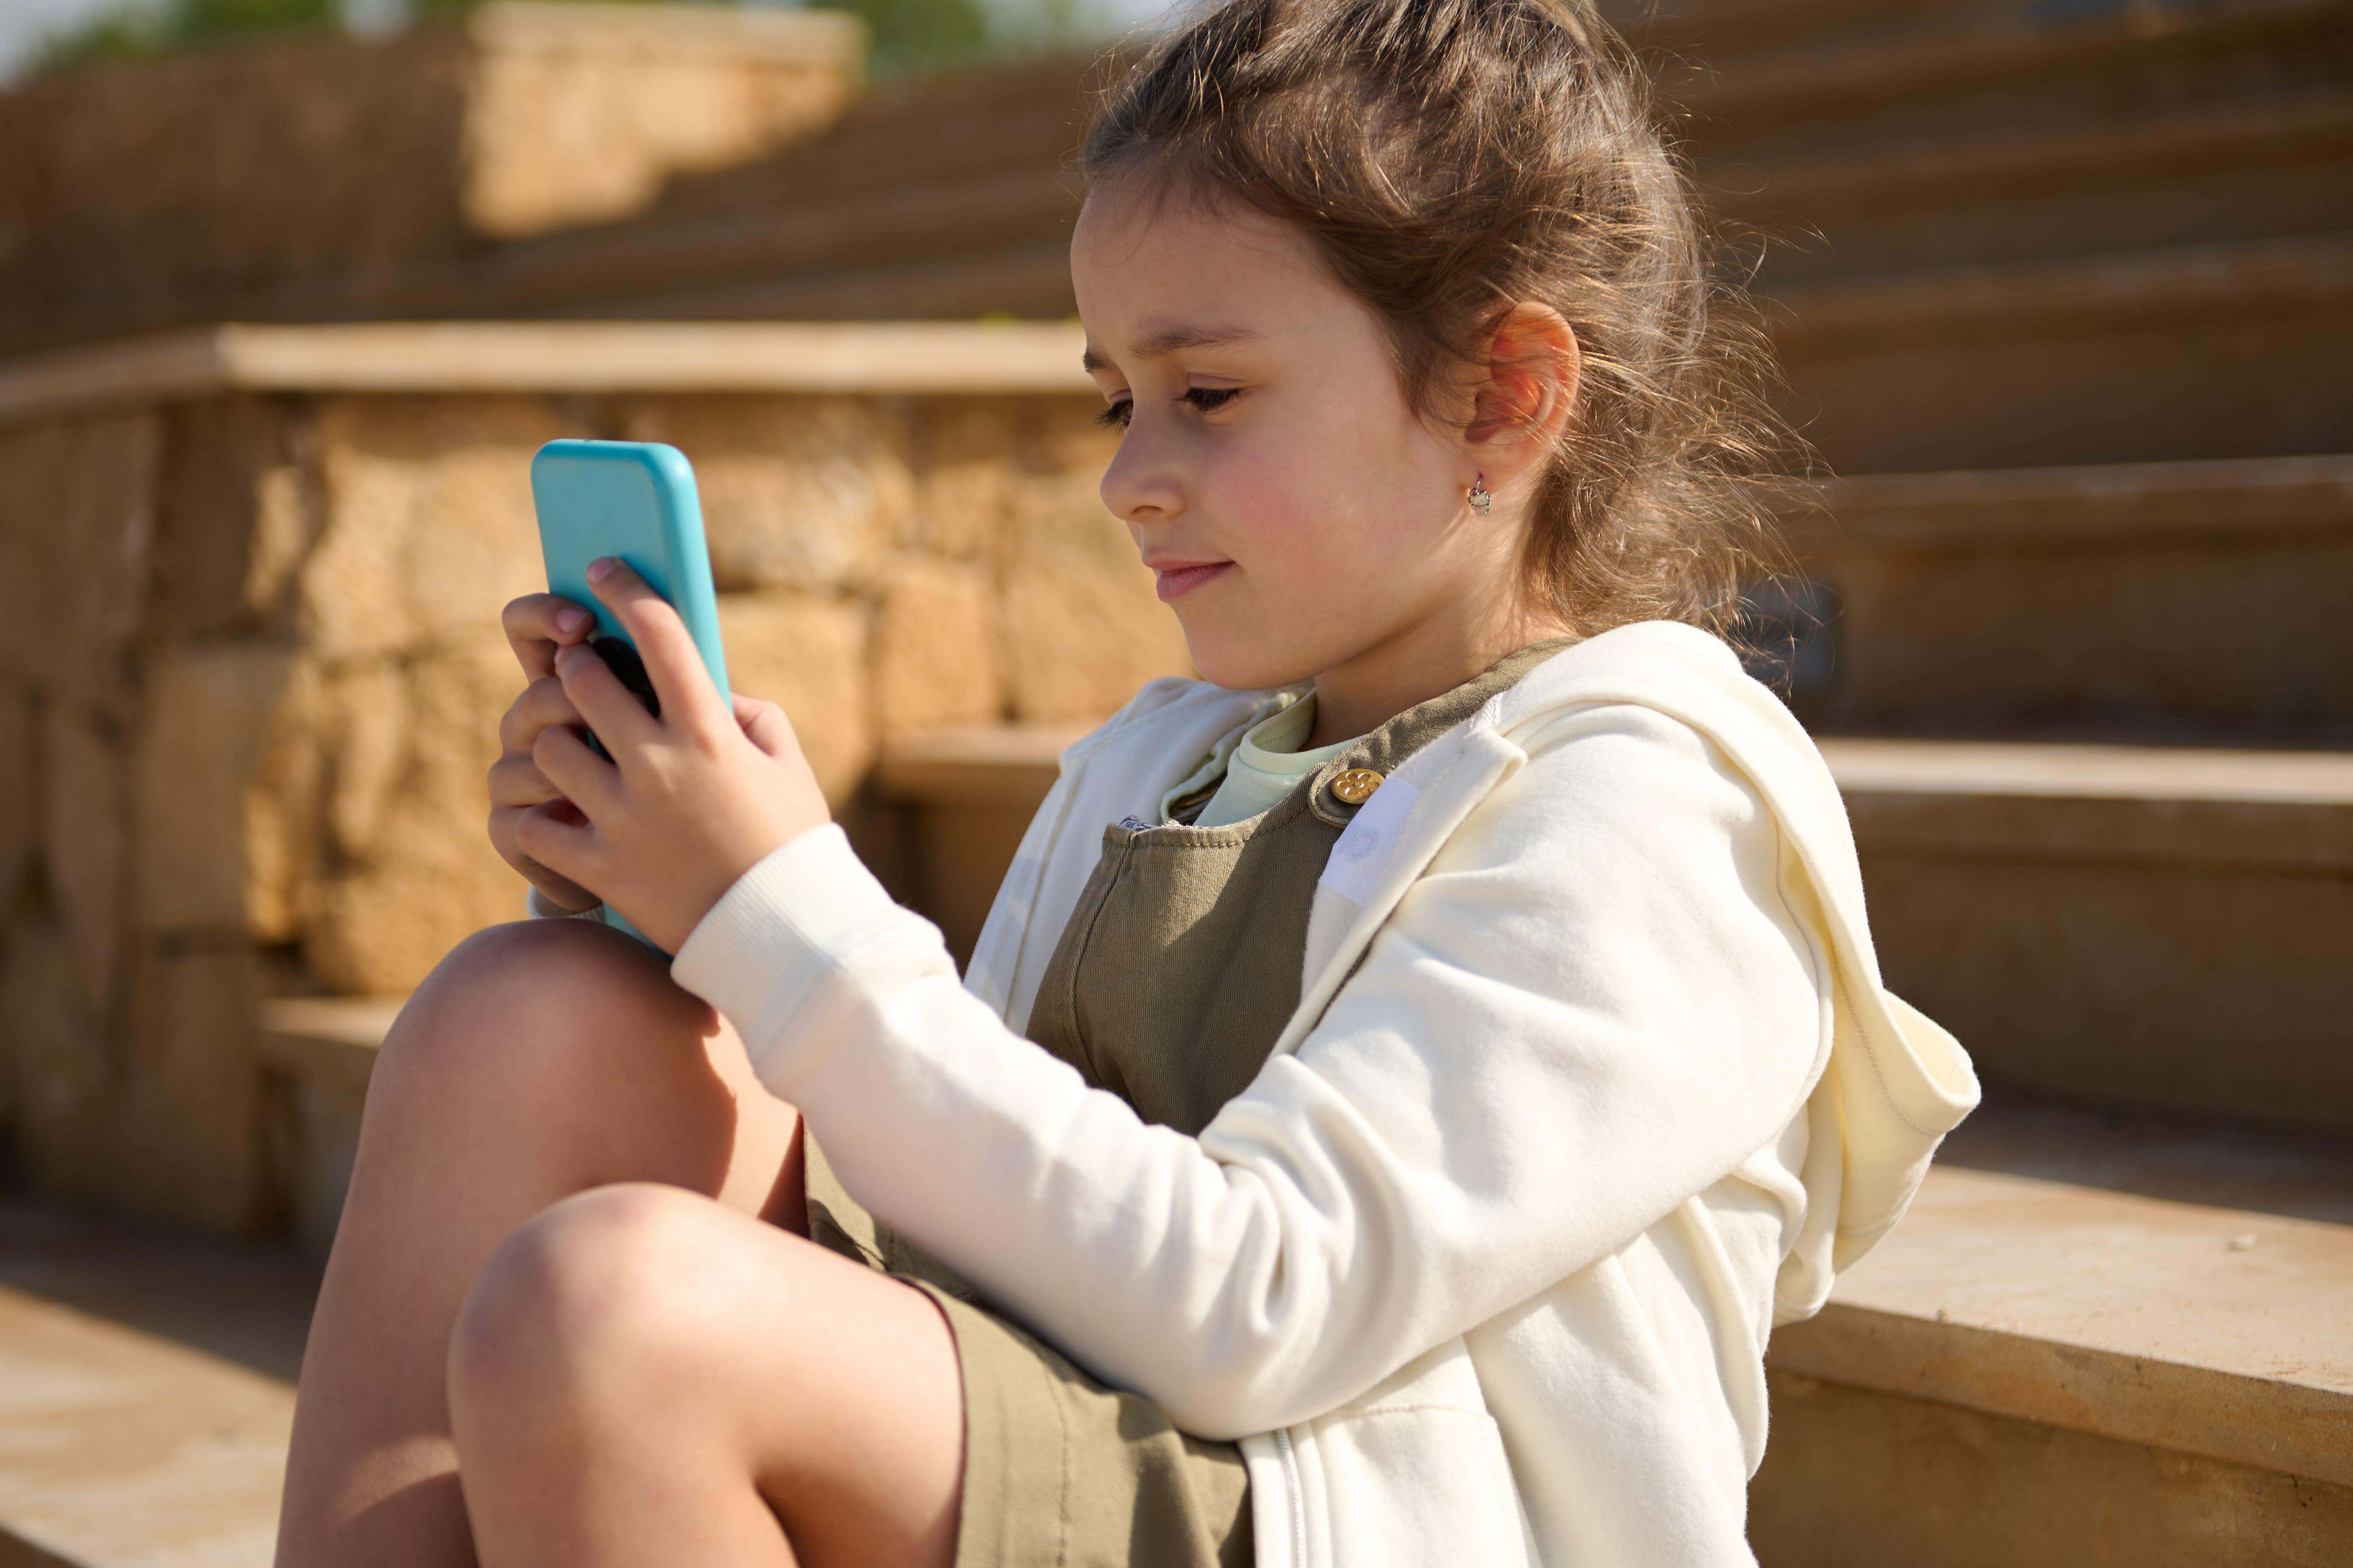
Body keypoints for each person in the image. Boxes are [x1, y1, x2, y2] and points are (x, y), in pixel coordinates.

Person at [275, 0, 1980, 1563]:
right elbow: (992, 1207)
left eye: (1208, 394)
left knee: (615, 1319)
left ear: (1501, 395)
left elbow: (1261, 1307)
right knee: (527, 1015)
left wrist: (778, 913)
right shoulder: (1163, 756)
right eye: (1116, 404)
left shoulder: (1650, 808)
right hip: (1113, 1421)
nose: (1133, 481)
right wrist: (663, 891)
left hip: (1348, 1513)